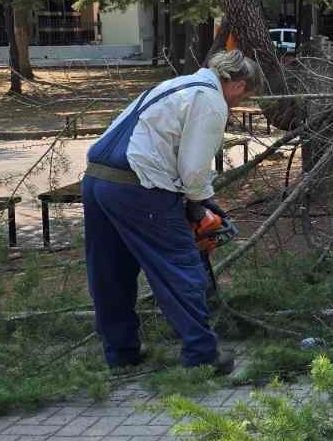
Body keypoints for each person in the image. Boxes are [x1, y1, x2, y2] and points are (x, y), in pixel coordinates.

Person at [81, 49, 265, 372]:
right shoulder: (210, 100)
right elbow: (193, 170)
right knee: (181, 268)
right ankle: (202, 356)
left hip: (97, 180)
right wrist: (197, 204)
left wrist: (195, 198)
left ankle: (121, 354)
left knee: (110, 272)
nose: (239, 103)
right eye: (245, 95)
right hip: (137, 187)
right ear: (238, 85)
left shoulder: (173, 86)